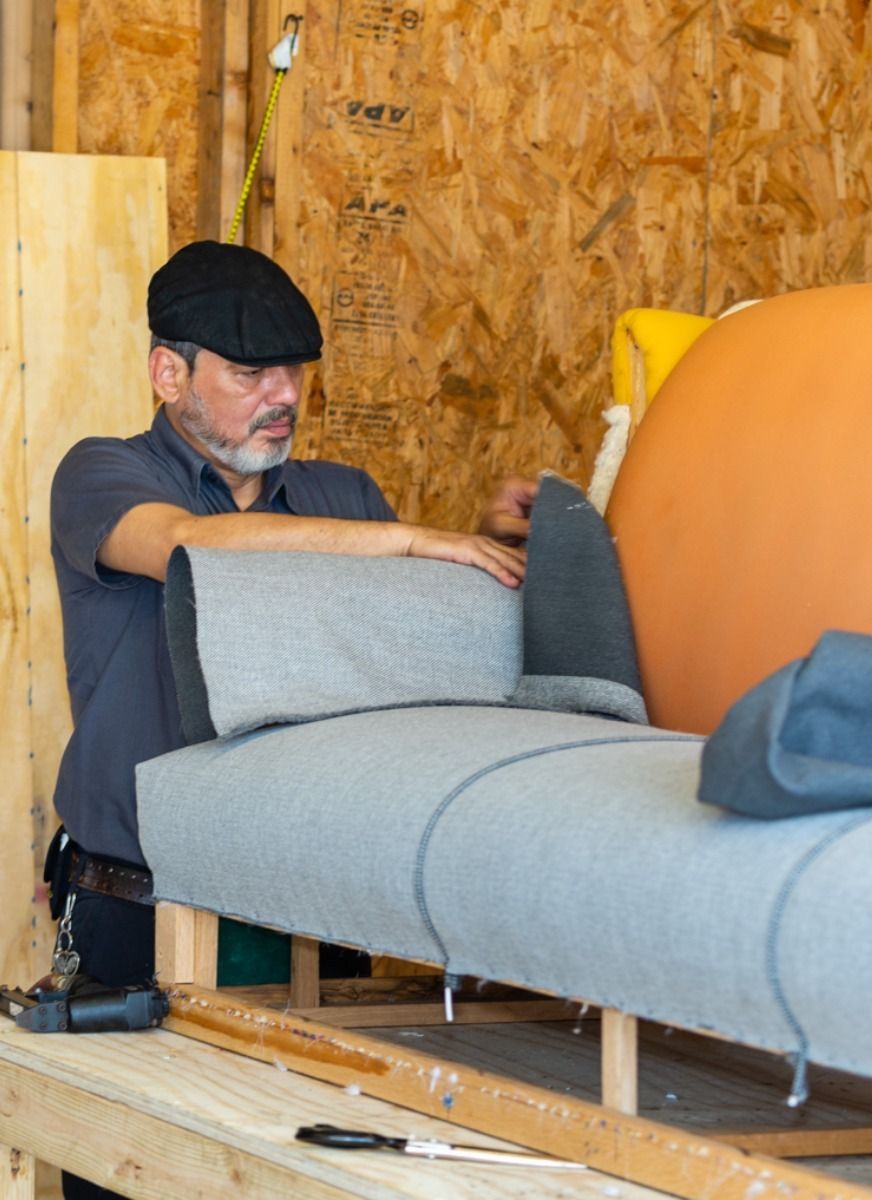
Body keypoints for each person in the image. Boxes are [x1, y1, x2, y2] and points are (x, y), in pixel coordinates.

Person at [47, 241, 536, 1200]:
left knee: (303, 1176)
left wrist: (502, 544)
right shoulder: (101, 476)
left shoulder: (340, 496)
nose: (283, 395)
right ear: (168, 372)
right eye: (250, 372)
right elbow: (188, 547)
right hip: (134, 908)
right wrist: (403, 540)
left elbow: (408, 658)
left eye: (295, 372)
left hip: (309, 908)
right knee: (125, 1178)